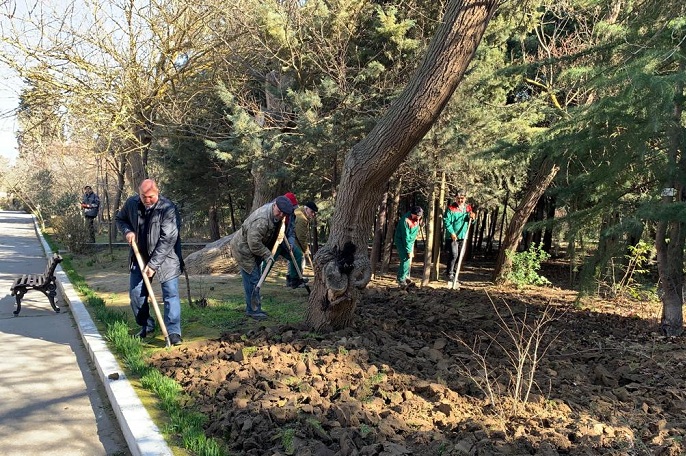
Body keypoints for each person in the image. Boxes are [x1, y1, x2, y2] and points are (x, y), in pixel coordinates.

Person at [115, 179, 184, 346]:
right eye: (143, 196)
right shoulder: (132, 203)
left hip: (166, 258)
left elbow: (168, 239)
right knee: (136, 295)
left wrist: (153, 265)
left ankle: (173, 332)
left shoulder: (167, 208)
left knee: (170, 294)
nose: (147, 200)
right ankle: (147, 324)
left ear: (157, 193)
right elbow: (120, 219)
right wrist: (127, 231)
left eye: (150, 197)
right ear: (139, 193)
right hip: (139, 257)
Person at [230, 195, 294, 319]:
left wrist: (274, 250)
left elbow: (280, 233)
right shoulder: (262, 220)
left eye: (283, 214)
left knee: (256, 277)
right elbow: (254, 244)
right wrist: (267, 254)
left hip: (255, 249)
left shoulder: (278, 217)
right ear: (274, 205)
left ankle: (255, 307)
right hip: (244, 250)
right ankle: (253, 310)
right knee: (253, 279)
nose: (280, 215)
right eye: (279, 211)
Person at [443, 189, 476, 282]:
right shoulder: (450, 209)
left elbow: (471, 221)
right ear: (455, 198)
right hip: (452, 237)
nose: (460, 200)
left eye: (462, 198)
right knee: (454, 254)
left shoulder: (468, 208)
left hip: (463, 236)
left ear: (465, 198)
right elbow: (447, 222)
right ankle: (449, 274)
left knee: (460, 255)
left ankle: (455, 274)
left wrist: (473, 218)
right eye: (458, 198)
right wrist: (452, 233)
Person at [277, 192, 304, 288]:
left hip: (286, 242)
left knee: (297, 255)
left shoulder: (292, 215)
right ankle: (256, 283)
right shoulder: (276, 211)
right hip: (274, 243)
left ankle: (294, 280)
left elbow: (291, 231)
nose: (293, 209)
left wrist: (291, 243)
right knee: (268, 262)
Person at [394, 205, 423, 286]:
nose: (418, 218)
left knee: (408, 260)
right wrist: (409, 250)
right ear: (412, 214)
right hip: (402, 241)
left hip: (410, 241)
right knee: (405, 258)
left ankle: (406, 276)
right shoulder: (405, 220)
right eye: (417, 216)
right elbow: (405, 237)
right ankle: (401, 279)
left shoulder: (417, 218)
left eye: (420, 216)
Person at [294, 200, 319, 279]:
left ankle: (294, 278)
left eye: (314, 212)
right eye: (312, 211)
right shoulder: (302, 219)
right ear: (306, 209)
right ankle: (296, 279)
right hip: (295, 241)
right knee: (300, 258)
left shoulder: (301, 213)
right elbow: (301, 237)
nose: (313, 214)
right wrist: (306, 249)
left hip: (295, 240)